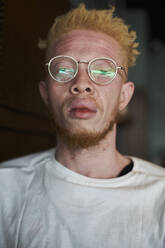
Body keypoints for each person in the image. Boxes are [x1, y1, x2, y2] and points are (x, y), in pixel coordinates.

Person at [0, 4, 165, 248]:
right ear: (45, 93)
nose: (81, 84)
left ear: (124, 96)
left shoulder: (161, 198)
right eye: (64, 69)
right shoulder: (5, 189)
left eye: (102, 70)